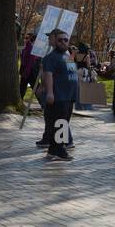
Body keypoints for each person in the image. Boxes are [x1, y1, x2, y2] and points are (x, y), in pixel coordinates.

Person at [38, 29, 78, 162]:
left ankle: (53, 149)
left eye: (66, 40)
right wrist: (49, 92)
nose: (63, 42)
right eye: (60, 39)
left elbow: (72, 74)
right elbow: (47, 75)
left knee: (64, 123)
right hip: (59, 96)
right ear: (55, 41)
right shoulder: (50, 57)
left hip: (69, 96)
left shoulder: (68, 55)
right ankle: (60, 150)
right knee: (60, 123)